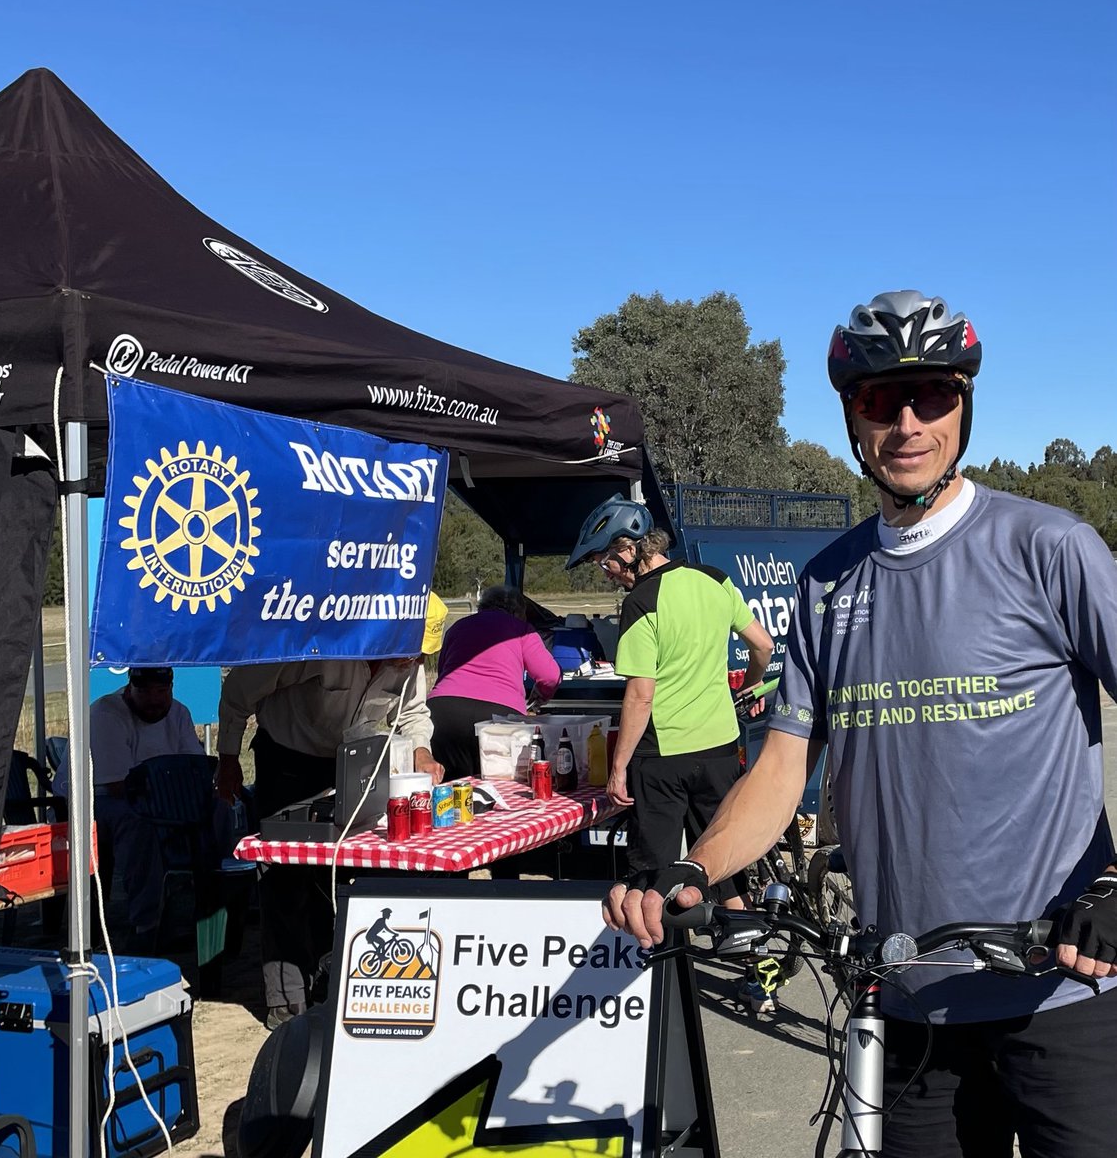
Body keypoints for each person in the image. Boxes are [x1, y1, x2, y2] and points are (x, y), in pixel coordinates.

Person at [610, 291, 1117, 1157]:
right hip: (904, 1004)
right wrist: (692, 868)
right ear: (853, 415)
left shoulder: (1050, 547)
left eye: (934, 396)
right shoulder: (828, 584)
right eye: (882, 401)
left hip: (1059, 992)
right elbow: (780, 769)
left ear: (964, 405)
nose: (909, 423)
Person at [567, 494, 775, 1008]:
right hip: (722, 746)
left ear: (629, 549)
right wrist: (746, 689)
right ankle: (759, 969)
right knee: (721, 859)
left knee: (652, 872)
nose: (608, 573)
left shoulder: (641, 602)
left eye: (606, 561)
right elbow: (763, 646)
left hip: (663, 756)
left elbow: (640, 693)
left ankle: (651, 988)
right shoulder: (713, 578)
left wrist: (617, 769)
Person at [216, 598, 447, 1030]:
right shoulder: (323, 641)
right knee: (284, 878)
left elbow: (413, 712)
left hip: (343, 764)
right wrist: (227, 759)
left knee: (332, 875)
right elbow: (238, 692)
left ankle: (323, 984)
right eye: (406, 651)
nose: (411, 661)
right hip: (285, 761)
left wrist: (421, 750)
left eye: (419, 654)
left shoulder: (409, 661)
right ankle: (286, 1005)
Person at [79, 666, 204, 947]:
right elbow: (118, 785)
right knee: (140, 823)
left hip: (162, 798)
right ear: (130, 689)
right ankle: (146, 924)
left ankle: (215, 905)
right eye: (145, 692)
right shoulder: (105, 715)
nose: (154, 700)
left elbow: (195, 768)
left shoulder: (179, 713)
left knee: (216, 812)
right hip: (97, 800)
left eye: (161, 692)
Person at [427, 585, 562, 780]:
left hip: (443, 710)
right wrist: (540, 698)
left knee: (448, 787)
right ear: (518, 611)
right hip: (498, 716)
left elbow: (444, 671)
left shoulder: (458, 626)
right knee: (501, 787)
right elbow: (550, 676)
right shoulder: (520, 629)